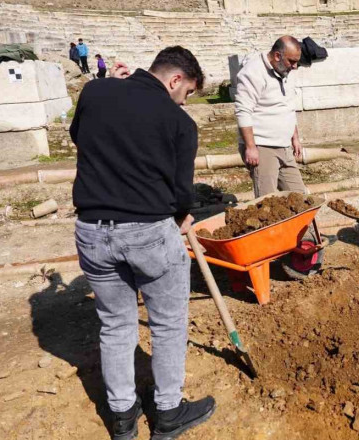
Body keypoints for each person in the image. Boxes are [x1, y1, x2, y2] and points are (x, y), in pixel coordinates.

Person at [70, 46, 216, 440]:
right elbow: (183, 193)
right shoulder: (179, 122)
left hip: (92, 230)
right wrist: (183, 214)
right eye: (186, 93)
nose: (185, 102)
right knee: (168, 325)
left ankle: (122, 419)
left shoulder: (95, 91)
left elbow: (79, 137)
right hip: (148, 232)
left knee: (115, 325)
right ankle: (168, 413)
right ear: (175, 80)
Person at [235, 36, 305, 197]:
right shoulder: (252, 72)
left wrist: (295, 137)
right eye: (292, 61)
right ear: (277, 56)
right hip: (262, 146)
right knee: (268, 201)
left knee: (300, 198)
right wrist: (251, 147)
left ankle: (299, 223)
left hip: (284, 145)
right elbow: (243, 111)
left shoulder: (285, 70)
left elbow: (287, 106)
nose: (295, 67)